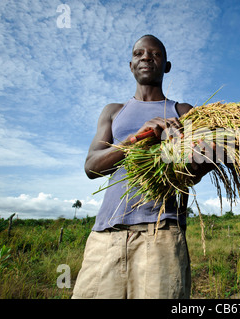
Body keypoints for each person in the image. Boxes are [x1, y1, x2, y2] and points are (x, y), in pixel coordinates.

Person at [72, 34, 210, 299]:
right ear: (131, 65)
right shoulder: (113, 111)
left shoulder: (183, 111)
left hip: (161, 235)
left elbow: (192, 175)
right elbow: (92, 167)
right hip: (106, 235)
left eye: (155, 53)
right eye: (139, 53)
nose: (146, 57)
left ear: (166, 65)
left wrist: (187, 153)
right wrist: (137, 139)